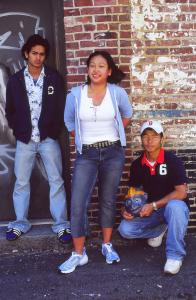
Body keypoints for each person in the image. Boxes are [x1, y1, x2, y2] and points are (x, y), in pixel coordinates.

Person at [58, 50, 132, 273]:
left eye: (101, 66)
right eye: (92, 65)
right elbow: (69, 121)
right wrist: (84, 140)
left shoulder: (117, 93)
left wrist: (113, 135)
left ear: (109, 71)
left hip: (113, 152)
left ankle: (107, 245)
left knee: (108, 200)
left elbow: (126, 114)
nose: (96, 69)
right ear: (87, 70)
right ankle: (78, 254)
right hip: (86, 155)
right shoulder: (75, 95)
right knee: (78, 202)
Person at [5, 34, 71, 243]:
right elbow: (10, 111)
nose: (38, 58)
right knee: (21, 182)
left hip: (48, 139)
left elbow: (61, 107)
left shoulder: (53, 78)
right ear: (26, 54)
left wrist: (52, 131)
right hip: (25, 140)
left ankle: (61, 225)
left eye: (42, 54)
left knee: (56, 181)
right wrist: (19, 130)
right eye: (34, 53)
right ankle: (20, 223)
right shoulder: (15, 80)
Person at [118, 120, 189, 275]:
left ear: (162, 139)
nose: (149, 141)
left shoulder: (172, 161)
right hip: (151, 212)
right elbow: (133, 193)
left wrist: (154, 205)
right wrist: (127, 209)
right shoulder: (137, 165)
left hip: (171, 208)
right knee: (125, 229)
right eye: (145, 136)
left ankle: (175, 255)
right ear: (141, 139)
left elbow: (181, 192)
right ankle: (160, 230)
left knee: (175, 206)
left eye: (154, 136)